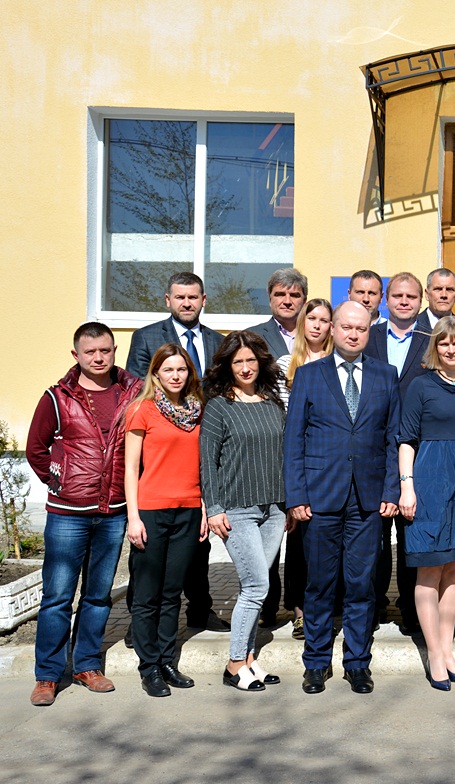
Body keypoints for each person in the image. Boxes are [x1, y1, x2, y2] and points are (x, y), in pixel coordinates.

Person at [284, 302, 401, 695]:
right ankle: (316, 663)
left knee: (361, 584)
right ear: (331, 328)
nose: (353, 334)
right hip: (320, 498)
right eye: (347, 327)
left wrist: (391, 489)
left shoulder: (387, 375)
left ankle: (357, 663)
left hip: (369, 500)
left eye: (361, 328)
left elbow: (391, 438)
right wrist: (296, 495)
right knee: (319, 584)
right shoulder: (308, 375)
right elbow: (294, 440)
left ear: (370, 331)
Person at [25, 322, 143, 706]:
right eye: (90, 352)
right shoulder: (57, 397)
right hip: (68, 514)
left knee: (97, 596)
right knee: (57, 596)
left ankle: (87, 665)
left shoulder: (133, 392)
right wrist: (59, 482)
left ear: (114, 350)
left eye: (105, 350)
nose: (98, 358)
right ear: (76, 355)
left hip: (113, 513)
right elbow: (36, 449)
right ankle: (47, 675)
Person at [125, 272, 227, 634]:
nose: (187, 303)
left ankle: (200, 610)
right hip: (161, 449)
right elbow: (140, 389)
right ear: (167, 300)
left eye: (193, 297)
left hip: (201, 445)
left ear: (204, 300)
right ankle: (140, 621)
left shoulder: (217, 341)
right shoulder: (147, 337)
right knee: (148, 558)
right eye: (180, 297)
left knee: (197, 547)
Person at [398, 316, 455, 690]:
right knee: (429, 568)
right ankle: (434, 653)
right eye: (443, 343)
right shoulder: (420, 386)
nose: (451, 349)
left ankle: (448, 650)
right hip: (430, 480)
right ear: (435, 348)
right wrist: (407, 487)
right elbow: (406, 439)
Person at [200, 331, 287, 692]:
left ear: (261, 362)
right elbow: (207, 461)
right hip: (237, 509)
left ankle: (250, 659)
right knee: (256, 586)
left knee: (254, 587)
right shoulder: (220, 405)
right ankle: (235, 663)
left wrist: (288, 507)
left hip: (274, 509)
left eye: (251, 360)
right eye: (238, 362)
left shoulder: (271, 402)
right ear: (227, 366)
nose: (246, 367)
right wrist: (214, 508)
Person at [123, 343, 206, 697]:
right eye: (168, 369)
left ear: (189, 373)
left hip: (188, 510)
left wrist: (202, 508)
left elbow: (202, 466)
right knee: (147, 595)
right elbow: (129, 468)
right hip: (152, 511)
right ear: (156, 373)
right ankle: (149, 666)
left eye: (181, 369)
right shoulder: (142, 410)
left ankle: (168, 660)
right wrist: (133, 516)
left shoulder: (197, 411)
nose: (175, 375)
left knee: (172, 593)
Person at [264, 297, 334, 636]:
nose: (317, 325)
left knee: (330, 541)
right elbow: (280, 416)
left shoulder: (340, 362)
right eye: (312, 318)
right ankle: (300, 610)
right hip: (296, 460)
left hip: (330, 463)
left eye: (324, 319)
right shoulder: (284, 364)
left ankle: (328, 607)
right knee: (299, 541)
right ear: (302, 324)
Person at [365, 272, 430, 635]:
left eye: (411, 296)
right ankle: (373, 606)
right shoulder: (368, 337)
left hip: (419, 451)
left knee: (412, 536)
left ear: (419, 302)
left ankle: (411, 608)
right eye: (398, 296)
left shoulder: (432, 341)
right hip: (374, 452)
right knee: (374, 538)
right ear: (386, 300)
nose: (404, 302)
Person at [248, 268, 308, 359]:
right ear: (270, 299)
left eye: (294, 295)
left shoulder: (318, 335)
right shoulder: (250, 337)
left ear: (304, 301)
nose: (287, 301)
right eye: (280, 294)